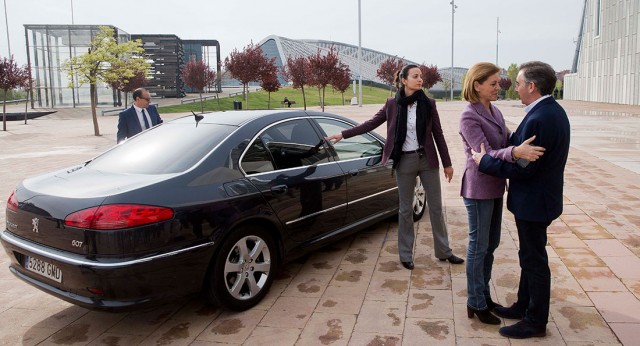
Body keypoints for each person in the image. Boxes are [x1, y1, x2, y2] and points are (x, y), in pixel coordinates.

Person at [326, 64, 464, 270]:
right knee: (405, 209)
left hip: (427, 160)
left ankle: (444, 251)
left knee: (435, 207)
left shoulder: (429, 104)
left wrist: (448, 163)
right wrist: (344, 134)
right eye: (415, 76)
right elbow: (370, 124)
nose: (420, 80)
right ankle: (406, 254)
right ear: (404, 80)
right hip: (404, 161)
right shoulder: (392, 104)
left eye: (421, 76)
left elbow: (438, 134)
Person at [471, 61, 570, 339]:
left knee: (534, 261)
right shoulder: (548, 111)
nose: (513, 87)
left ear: (531, 86)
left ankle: (536, 321)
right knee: (529, 256)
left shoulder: (541, 118)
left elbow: (522, 168)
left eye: (518, 82)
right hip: (540, 199)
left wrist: (484, 161)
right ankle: (523, 305)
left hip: (535, 201)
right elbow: (516, 146)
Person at [459, 62, 545, 325]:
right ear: (477, 85)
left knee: (491, 244)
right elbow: (482, 155)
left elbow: (507, 139)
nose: (499, 87)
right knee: (479, 246)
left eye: (499, 82)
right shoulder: (469, 116)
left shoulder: (494, 111)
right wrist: (515, 153)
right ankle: (475, 301)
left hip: (496, 186)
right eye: (493, 83)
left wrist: (520, 143)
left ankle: (482, 295)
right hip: (478, 188)